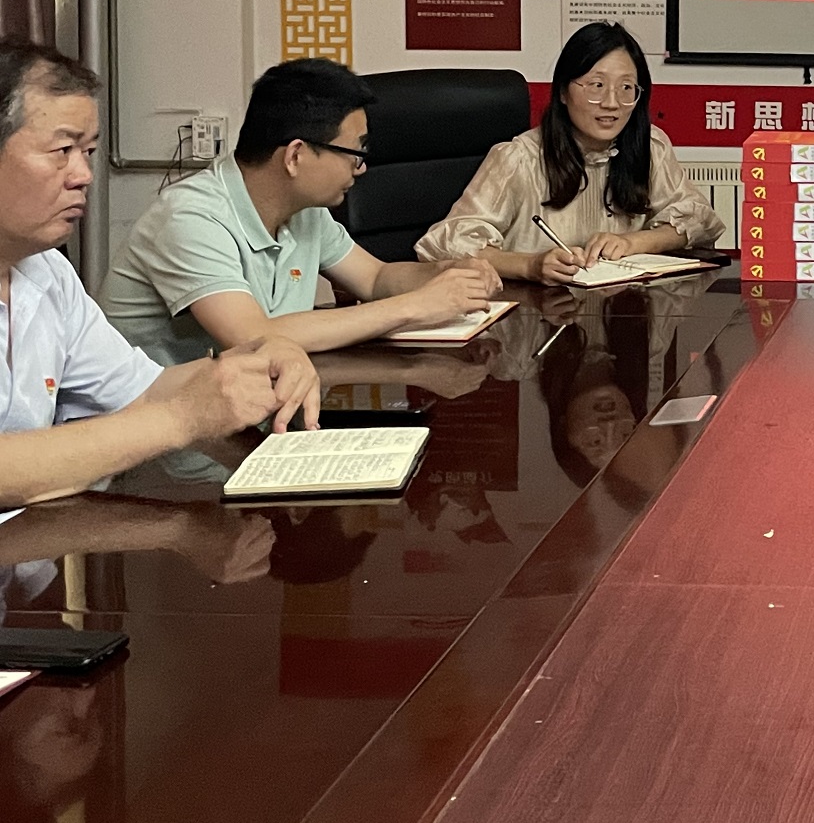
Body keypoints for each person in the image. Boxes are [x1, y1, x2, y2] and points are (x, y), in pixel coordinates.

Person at [0, 40, 317, 512]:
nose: (83, 175)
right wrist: (180, 420)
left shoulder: (47, 271)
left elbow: (141, 388)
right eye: (62, 150)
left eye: (88, 151)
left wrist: (259, 361)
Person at [99, 58, 502, 366]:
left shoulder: (305, 212)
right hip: (159, 434)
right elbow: (253, 339)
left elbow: (375, 278)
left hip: (251, 408)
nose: (361, 169)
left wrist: (446, 273)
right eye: (354, 154)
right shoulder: (190, 218)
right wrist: (417, 306)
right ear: (295, 156)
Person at [416, 22, 722, 284]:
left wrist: (634, 242)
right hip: (533, 317)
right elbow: (446, 245)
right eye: (596, 85)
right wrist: (530, 265)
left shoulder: (650, 147)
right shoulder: (519, 159)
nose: (612, 103)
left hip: (620, 313)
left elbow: (699, 220)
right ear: (563, 92)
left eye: (627, 88)